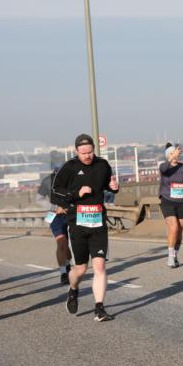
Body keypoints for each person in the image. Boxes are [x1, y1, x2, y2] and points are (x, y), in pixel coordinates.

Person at [51, 134, 119, 322]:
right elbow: (55, 193)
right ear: (76, 151)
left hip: (98, 221)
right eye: (83, 153)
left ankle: (99, 308)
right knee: (80, 269)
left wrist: (114, 187)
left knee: (100, 265)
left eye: (90, 152)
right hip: (77, 223)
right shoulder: (69, 168)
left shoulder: (102, 165)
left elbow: (108, 185)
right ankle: (73, 290)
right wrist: (76, 193)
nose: (87, 156)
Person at [158, 143, 183, 267]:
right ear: (168, 156)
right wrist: (171, 157)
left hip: (181, 202)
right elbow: (163, 169)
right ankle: (170, 256)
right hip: (167, 201)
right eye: (171, 154)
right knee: (174, 228)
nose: (175, 156)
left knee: (179, 232)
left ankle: (175, 255)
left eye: (175, 153)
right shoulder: (164, 166)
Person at [37, 158, 72, 284]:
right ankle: (63, 272)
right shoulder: (47, 181)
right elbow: (39, 199)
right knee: (61, 243)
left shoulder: (71, 179)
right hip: (56, 216)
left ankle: (68, 265)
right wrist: (55, 208)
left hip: (71, 214)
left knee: (68, 249)